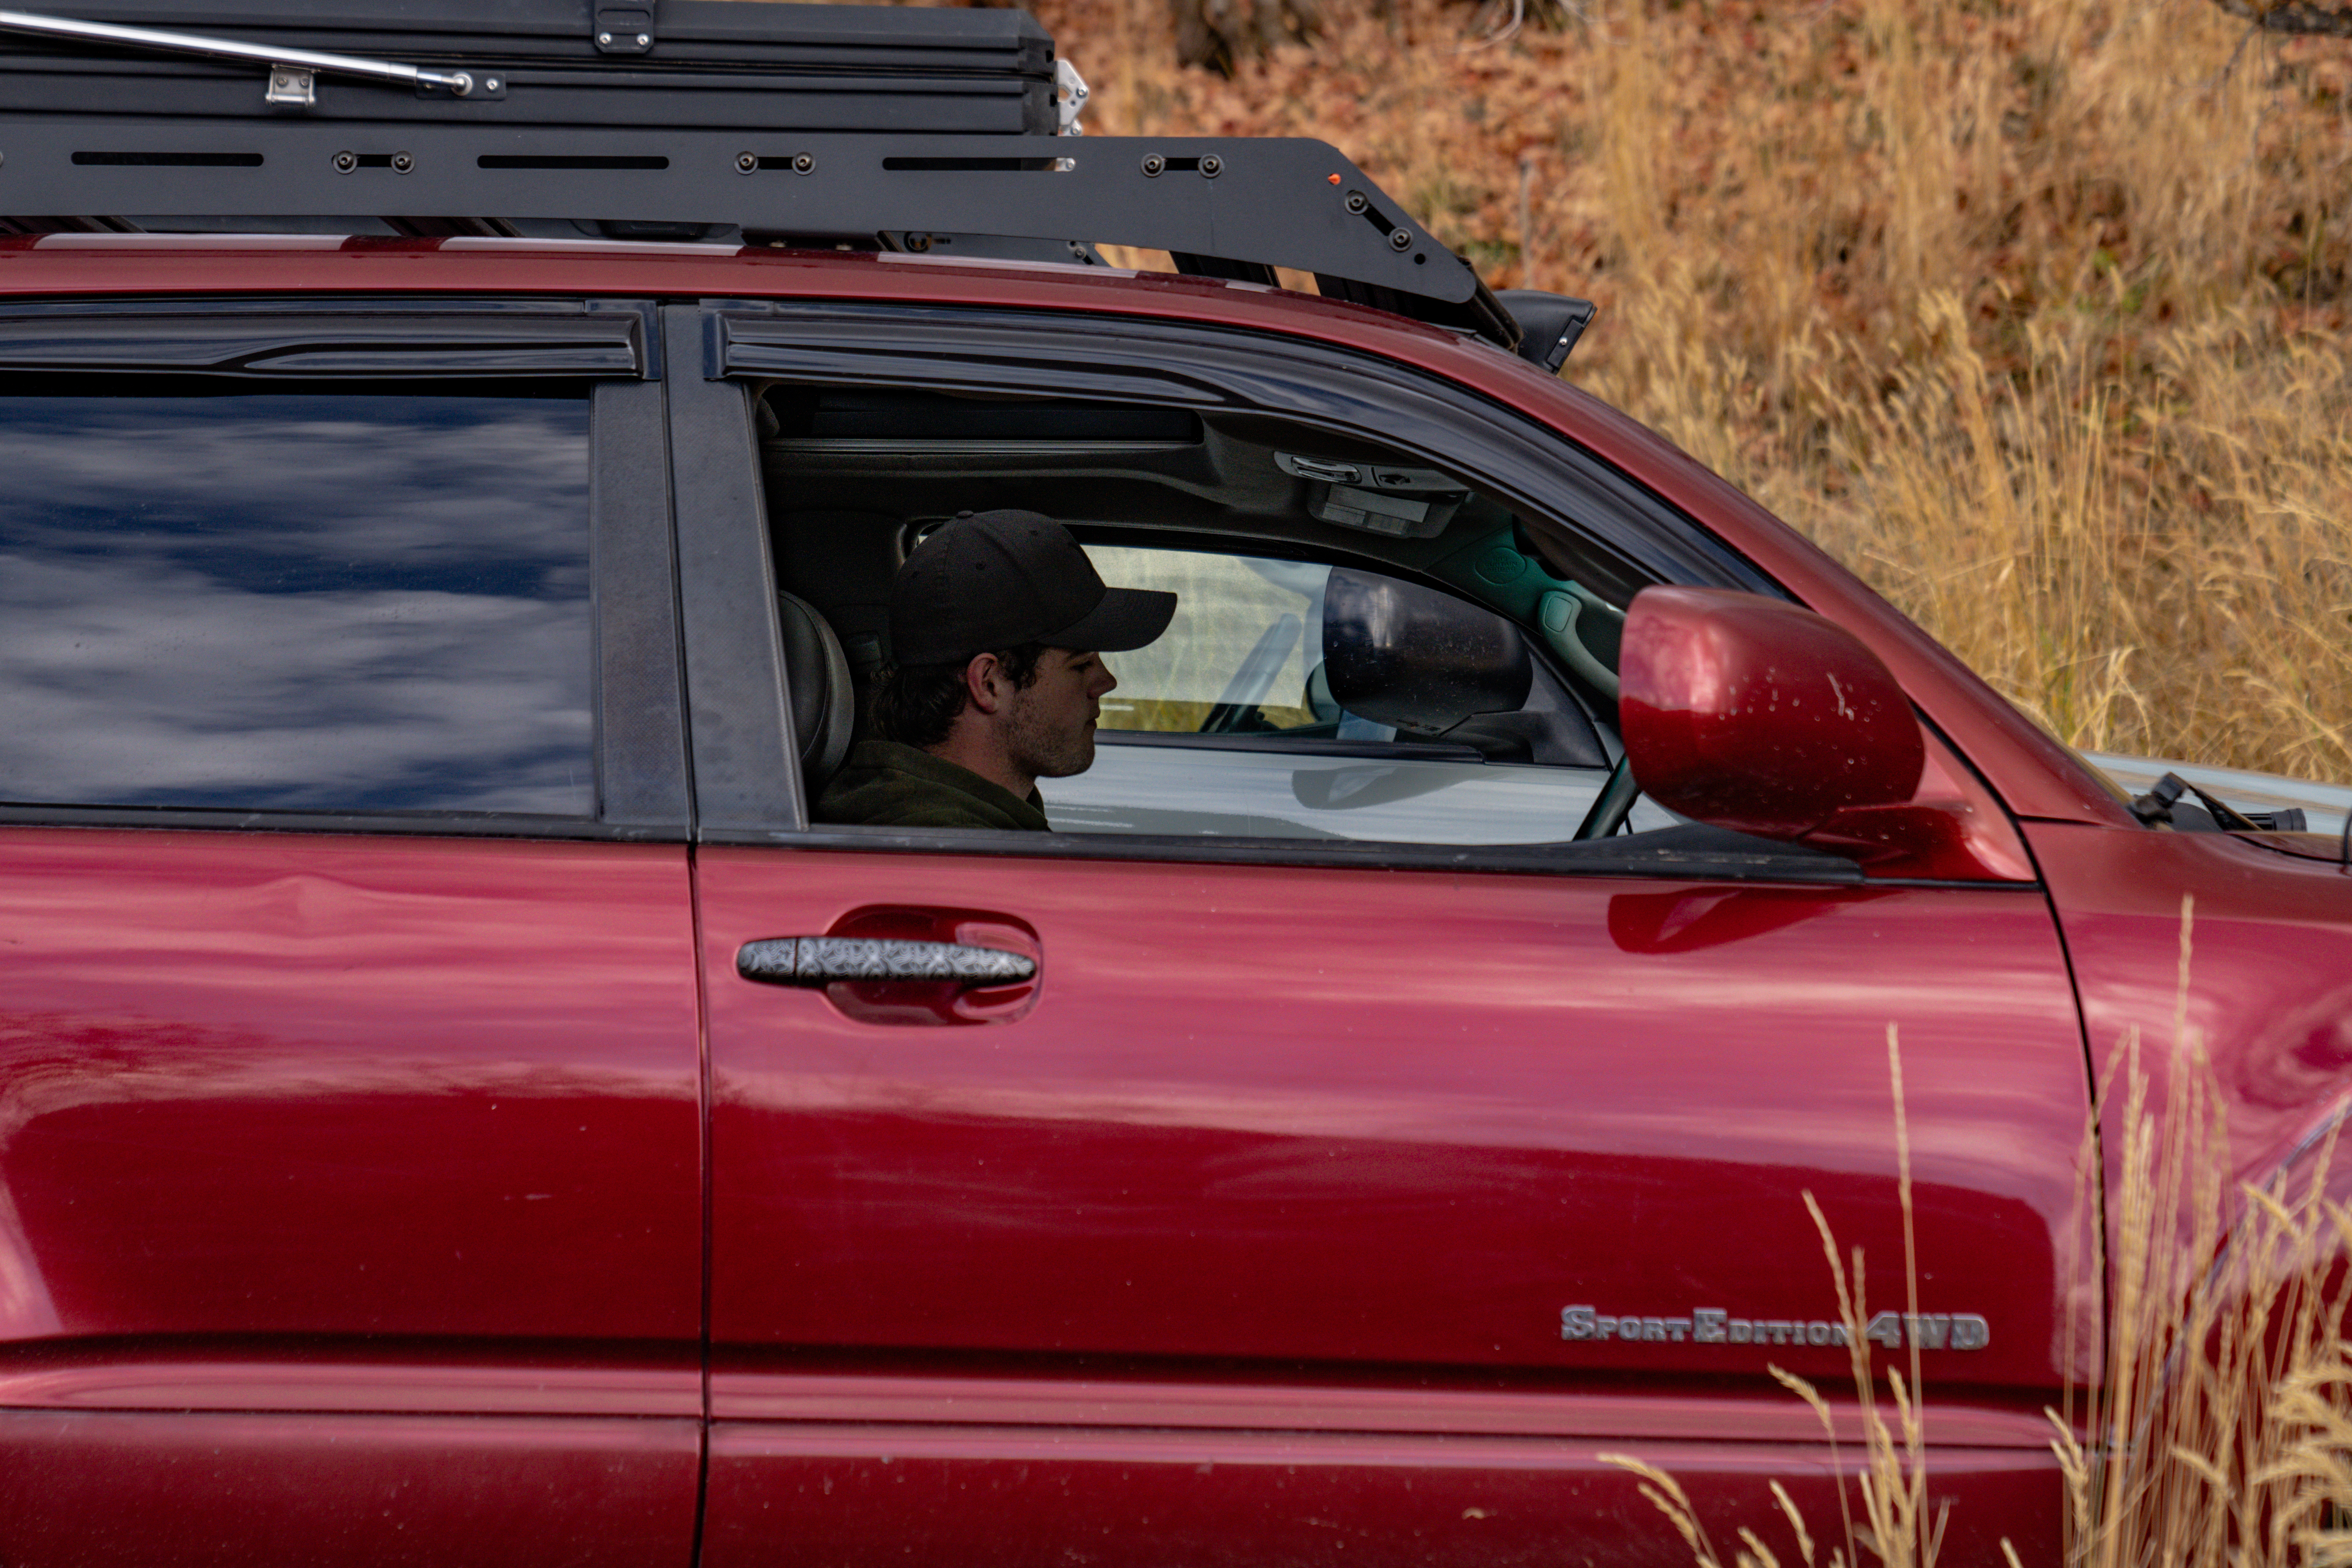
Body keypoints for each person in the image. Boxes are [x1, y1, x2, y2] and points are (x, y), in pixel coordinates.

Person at [816, 509, 1177, 830]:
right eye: (1081, 664)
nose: (1107, 682)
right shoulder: (946, 852)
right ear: (988, 684)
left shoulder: (966, 822)